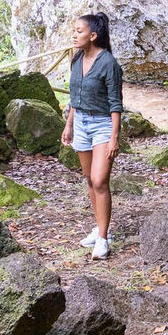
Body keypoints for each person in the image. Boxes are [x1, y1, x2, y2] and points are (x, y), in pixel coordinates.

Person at [62, 13, 123, 258]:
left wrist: (114, 137)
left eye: (79, 31)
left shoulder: (108, 63)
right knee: (89, 179)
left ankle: (103, 239)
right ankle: (99, 227)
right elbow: (75, 98)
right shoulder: (77, 60)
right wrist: (69, 125)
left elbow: (115, 103)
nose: (74, 35)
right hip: (81, 124)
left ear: (93, 35)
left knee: (99, 181)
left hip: (102, 125)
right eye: (74, 30)